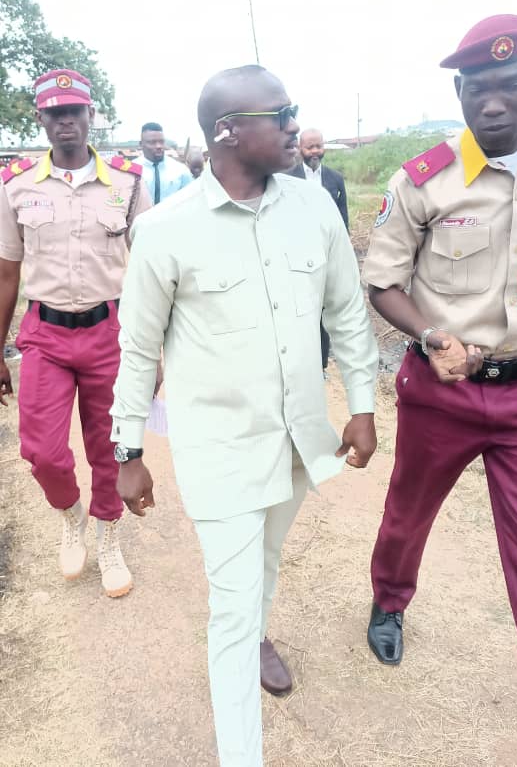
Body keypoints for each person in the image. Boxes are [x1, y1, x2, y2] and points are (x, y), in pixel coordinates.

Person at [110, 64, 379, 767]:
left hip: (296, 442)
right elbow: (137, 351)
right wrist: (127, 453)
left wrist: (359, 406)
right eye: (280, 113)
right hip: (219, 448)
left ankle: (256, 630)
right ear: (228, 131)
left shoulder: (313, 206)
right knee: (232, 606)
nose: (295, 125)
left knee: (264, 560)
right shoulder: (163, 231)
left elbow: (346, 313)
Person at [362, 15, 517, 767]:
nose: (492, 104)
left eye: (509, 86)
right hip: (438, 391)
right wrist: (429, 337)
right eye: (477, 90)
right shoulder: (421, 179)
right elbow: (382, 280)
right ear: (458, 91)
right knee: (407, 515)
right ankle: (389, 597)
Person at [0, 68, 152, 598]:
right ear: (41, 120)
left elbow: (149, 270)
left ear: (91, 116)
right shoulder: (17, 185)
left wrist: (152, 350)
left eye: (75, 112)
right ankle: (72, 516)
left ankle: (109, 536)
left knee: (109, 447)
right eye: (54, 114)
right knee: (42, 452)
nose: (66, 122)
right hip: (44, 332)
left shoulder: (128, 183)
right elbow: (7, 272)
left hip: (109, 330)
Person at [289, 129, 349, 372]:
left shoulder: (336, 179)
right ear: (300, 148)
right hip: (295, 258)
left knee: (323, 311)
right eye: (309, 147)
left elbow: (343, 221)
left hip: (326, 257)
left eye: (318, 146)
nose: (314, 152)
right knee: (299, 310)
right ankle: (297, 363)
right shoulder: (286, 178)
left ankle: (321, 366)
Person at [135, 122, 192, 204]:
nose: (159, 146)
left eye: (161, 142)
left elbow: (190, 200)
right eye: (152, 142)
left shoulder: (180, 170)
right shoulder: (131, 170)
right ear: (141, 144)